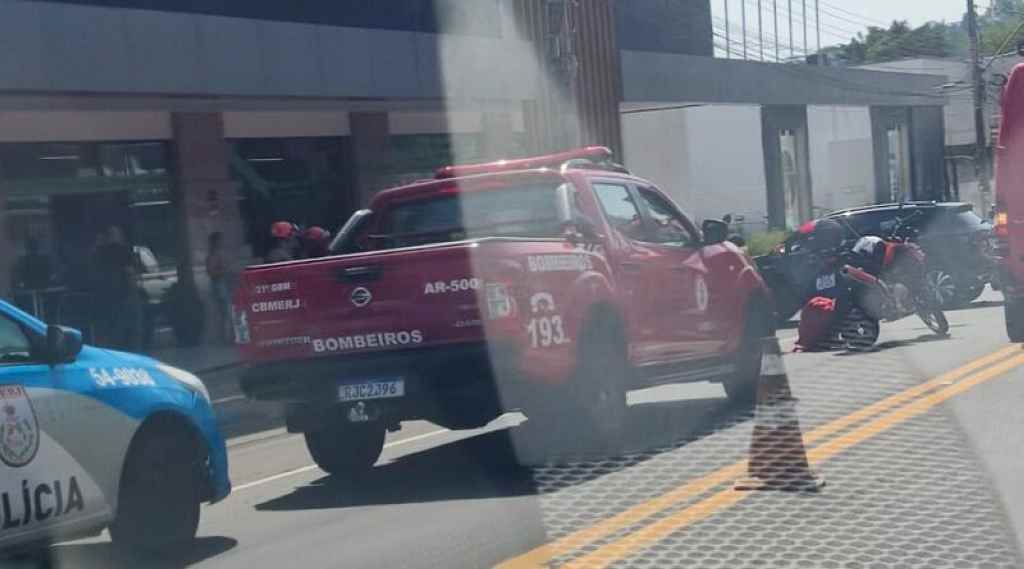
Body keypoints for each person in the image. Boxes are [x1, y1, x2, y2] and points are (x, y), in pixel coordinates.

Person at [93, 226, 143, 351]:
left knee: (113, 332)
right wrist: (134, 291)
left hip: (107, 298)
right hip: (124, 296)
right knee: (131, 330)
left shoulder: (99, 253)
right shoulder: (122, 251)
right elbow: (130, 272)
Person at [206, 232, 232, 343]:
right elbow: (211, 272)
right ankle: (225, 338)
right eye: (219, 240)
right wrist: (224, 270)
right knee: (225, 313)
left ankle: (226, 337)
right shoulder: (213, 256)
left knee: (225, 313)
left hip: (223, 285)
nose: (222, 242)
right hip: (219, 285)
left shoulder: (218, 254)